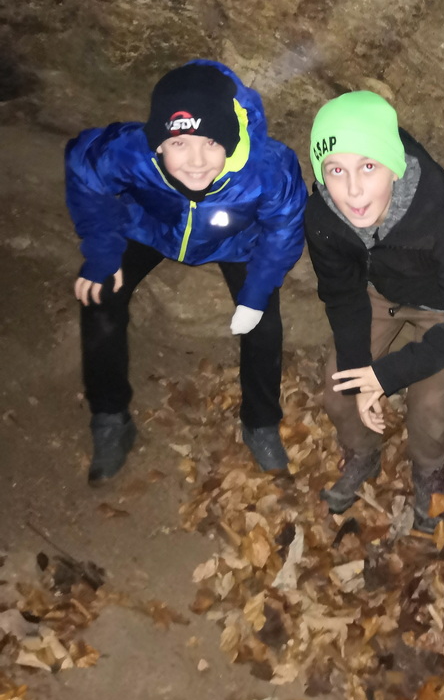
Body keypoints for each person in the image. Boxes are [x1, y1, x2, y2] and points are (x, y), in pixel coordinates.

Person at [66, 59, 307, 484]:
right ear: (158, 144)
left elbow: (284, 229)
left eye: (211, 142)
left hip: (234, 239)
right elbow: (84, 165)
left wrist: (255, 294)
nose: (196, 162)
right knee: (100, 294)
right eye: (179, 143)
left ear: (230, 141)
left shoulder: (266, 169)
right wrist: (103, 251)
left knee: (264, 322)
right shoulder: (132, 152)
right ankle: (110, 419)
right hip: (153, 227)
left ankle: (261, 423)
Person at [304, 90, 444, 532]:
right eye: (335, 170)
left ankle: (429, 471)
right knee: (339, 385)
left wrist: (385, 375)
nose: (353, 189)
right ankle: (363, 453)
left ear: (394, 166)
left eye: (369, 167)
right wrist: (360, 372)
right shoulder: (323, 216)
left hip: (442, 306)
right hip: (378, 294)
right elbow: (341, 294)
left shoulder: (442, 214)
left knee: (427, 405)